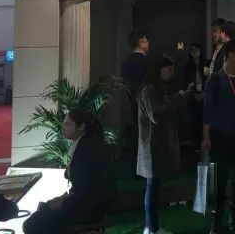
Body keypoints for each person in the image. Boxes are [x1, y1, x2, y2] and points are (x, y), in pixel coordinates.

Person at [23, 109, 116, 234]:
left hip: (92, 206)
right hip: (91, 201)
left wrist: (62, 203)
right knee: (41, 214)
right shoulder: (85, 144)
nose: (63, 127)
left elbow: (83, 190)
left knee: (32, 224)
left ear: (81, 126)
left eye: (68, 124)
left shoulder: (86, 149)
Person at [203, 40, 235, 234]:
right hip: (219, 136)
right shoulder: (215, 79)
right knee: (220, 181)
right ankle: (216, 221)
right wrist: (206, 137)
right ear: (231, 55)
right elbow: (207, 111)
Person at [137, 56, 190, 234]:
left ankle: (152, 227)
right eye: (168, 69)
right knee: (152, 187)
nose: (171, 73)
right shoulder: (149, 90)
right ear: (158, 70)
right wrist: (178, 98)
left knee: (154, 186)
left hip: (156, 144)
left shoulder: (155, 88)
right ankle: (152, 228)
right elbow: (158, 115)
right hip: (151, 145)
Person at [121, 31, 150, 160]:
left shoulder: (126, 62)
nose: (148, 43)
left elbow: (126, 84)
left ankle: (136, 162)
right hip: (148, 103)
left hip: (133, 101)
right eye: (146, 41)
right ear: (141, 43)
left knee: (137, 130)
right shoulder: (147, 62)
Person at [185, 43, 211, 150]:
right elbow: (185, 82)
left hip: (205, 94)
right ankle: (196, 146)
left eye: (196, 49)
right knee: (194, 121)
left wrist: (204, 93)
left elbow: (210, 80)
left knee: (205, 120)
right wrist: (193, 93)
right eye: (192, 50)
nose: (194, 52)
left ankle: (205, 142)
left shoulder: (206, 63)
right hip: (194, 95)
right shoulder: (188, 66)